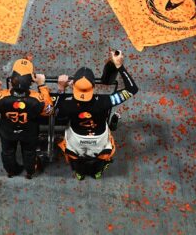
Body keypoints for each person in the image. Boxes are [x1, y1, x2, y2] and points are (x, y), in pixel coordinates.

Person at [56, 50, 139, 179]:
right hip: (99, 140)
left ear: (73, 87)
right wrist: (119, 66)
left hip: (76, 139)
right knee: (102, 157)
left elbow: (57, 111)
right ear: (94, 87)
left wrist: (61, 88)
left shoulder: (67, 105)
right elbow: (132, 89)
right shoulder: (106, 101)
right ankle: (97, 172)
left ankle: (80, 173)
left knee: (75, 157)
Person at [0, 58, 52, 178]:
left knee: (7, 152)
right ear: (31, 81)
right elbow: (49, 110)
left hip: (7, 131)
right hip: (29, 133)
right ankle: (30, 172)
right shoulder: (38, 99)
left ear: (12, 79)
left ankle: (11, 171)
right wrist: (42, 85)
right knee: (29, 152)